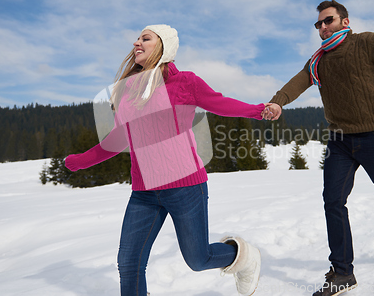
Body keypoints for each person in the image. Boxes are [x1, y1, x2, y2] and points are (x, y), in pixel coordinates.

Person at [65, 24, 266, 296]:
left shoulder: (185, 83)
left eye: (145, 38)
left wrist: (258, 111)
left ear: (163, 47)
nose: (137, 43)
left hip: (185, 188)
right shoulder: (128, 93)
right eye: (136, 39)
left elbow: (221, 103)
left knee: (198, 259)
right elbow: (118, 139)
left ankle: (244, 257)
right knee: (129, 263)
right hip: (144, 193)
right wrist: (81, 161)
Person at [263, 0, 374, 296]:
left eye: (328, 20)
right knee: (333, 200)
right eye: (318, 24)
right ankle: (342, 272)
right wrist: (278, 100)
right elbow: (299, 81)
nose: (323, 27)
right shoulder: (319, 60)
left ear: (345, 20)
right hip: (340, 140)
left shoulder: (370, 43)